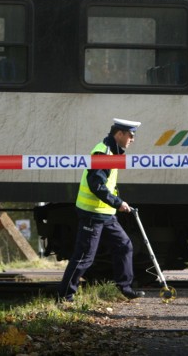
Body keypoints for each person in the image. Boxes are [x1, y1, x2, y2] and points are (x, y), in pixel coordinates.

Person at [57, 118, 146, 303]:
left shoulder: (112, 151)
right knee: (84, 257)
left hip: (105, 213)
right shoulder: (102, 152)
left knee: (124, 246)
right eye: (130, 135)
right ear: (119, 134)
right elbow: (96, 185)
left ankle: (125, 288)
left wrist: (117, 201)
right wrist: (117, 202)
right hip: (92, 213)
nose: (132, 139)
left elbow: (107, 184)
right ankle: (64, 296)